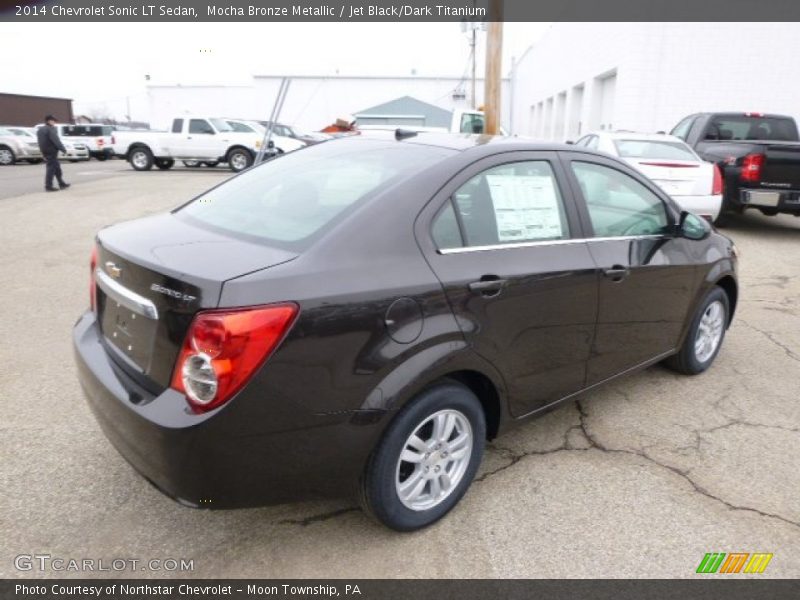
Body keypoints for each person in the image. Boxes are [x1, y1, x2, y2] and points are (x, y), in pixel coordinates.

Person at [36, 115, 70, 192]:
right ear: (48, 121)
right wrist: (63, 149)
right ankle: (48, 186)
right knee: (51, 169)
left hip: (46, 151)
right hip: (52, 151)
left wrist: (43, 152)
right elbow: (56, 140)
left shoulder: (40, 129)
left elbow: (40, 142)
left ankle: (61, 183)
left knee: (57, 168)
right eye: (53, 120)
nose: (54, 122)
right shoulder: (51, 129)